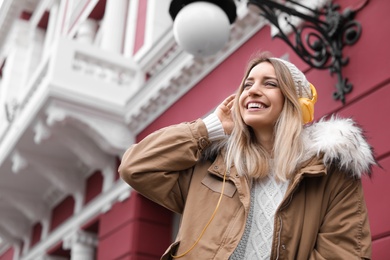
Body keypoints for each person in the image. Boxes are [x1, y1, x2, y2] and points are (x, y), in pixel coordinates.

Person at [119, 52, 376, 259]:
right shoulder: (211, 166)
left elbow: (344, 254)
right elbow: (135, 167)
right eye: (247, 84)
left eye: (270, 83)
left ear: (296, 103)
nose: (251, 91)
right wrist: (208, 128)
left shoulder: (329, 173)